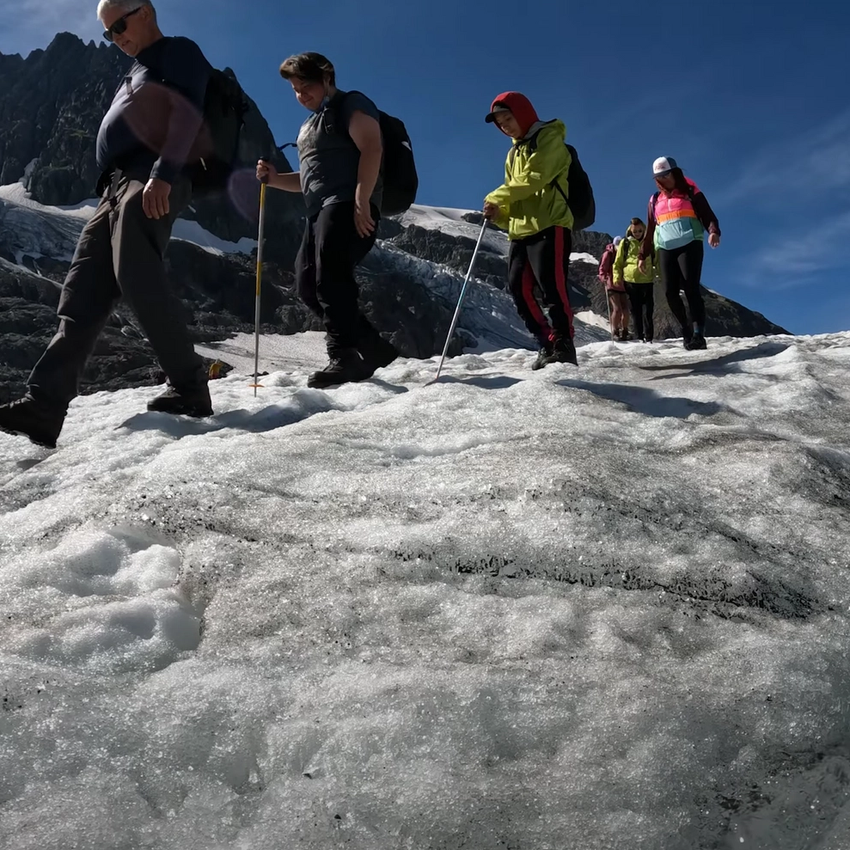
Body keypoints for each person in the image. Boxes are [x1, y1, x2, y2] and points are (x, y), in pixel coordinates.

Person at [0, 0, 213, 449]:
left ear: (147, 11)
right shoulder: (133, 71)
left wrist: (162, 175)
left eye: (119, 25)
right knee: (81, 291)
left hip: (150, 176)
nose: (116, 37)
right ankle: (44, 405)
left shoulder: (178, 51)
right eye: (107, 32)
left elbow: (188, 111)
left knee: (135, 272)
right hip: (113, 188)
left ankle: (191, 386)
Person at [256, 52, 399, 389]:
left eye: (305, 86)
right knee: (307, 285)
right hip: (319, 209)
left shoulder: (350, 104)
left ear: (326, 78)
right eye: (294, 89)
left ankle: (343, 355)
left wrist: (363, 198)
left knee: (330, 277)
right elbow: (307, 180)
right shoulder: (311, 125)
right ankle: (373, 348)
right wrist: (274, 178)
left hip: (347, 203)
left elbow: (372, 147)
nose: (300, 94)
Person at [482, 92, 578, 369]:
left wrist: (497, 197)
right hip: (521, 231)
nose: (505, 126)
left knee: (553, 288)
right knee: (518, 289)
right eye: (500, 123)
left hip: (551, 223)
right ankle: (547, 341)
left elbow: (534, 179)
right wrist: (501, 215)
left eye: (508, 118)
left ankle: (563, 344)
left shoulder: (549, 139)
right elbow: (518, 194)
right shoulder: (512, 154)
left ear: (523, 113)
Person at [638, 157, 721, 350]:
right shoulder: (654, 200)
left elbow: (707, 213)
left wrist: (714, 231)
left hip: (690, 243)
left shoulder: (691, 191)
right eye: (658, 177)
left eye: (665, 175)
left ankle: (698, 334)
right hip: (665, 247)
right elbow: (650, 229)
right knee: (669, 292)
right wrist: (643, 255)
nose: (662, 180)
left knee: (691, 289)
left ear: (675, 173)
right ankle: (686, 330)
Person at [615, 218, 656, 343]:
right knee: (635, 311)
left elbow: (656, 257)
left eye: (639, 230)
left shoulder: (650, 241)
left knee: (648, 310)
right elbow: (618, 261)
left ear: (643, 229)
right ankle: (639, 337)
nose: (637, 233)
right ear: (630, 230)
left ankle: (649, 337)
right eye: (635, 231)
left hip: (647, 279)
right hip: (630, 280)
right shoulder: (625, 243)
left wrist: (659, 272)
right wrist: (617, 276)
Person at [604, 236, 630, 341]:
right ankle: (615, 331)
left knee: (626, 310)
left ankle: (625, 331)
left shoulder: (625, 254)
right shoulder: (608, 254)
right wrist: (604, 278)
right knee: (617, 309)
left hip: (623, 286)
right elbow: (602, 268)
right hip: (612, 285)